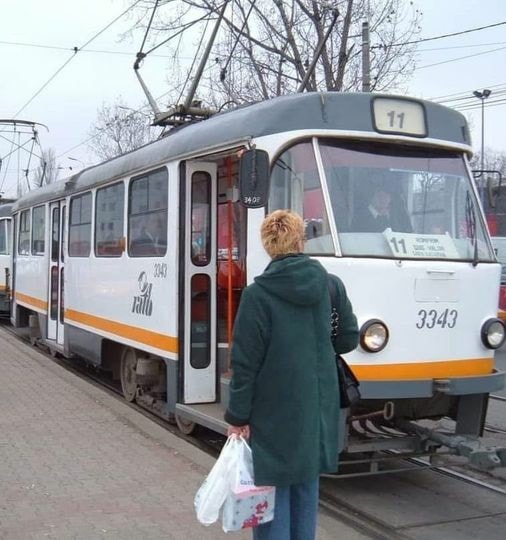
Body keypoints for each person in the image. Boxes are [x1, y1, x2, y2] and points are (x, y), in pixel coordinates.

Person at [225, 209, 359, 540]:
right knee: (305, 486)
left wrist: (237, 416)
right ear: (301, 239)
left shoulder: (258, 295)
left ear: (268, 245)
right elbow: (347, 339)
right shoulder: (329, 286)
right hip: (316, 407)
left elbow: (245, 363)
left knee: (270, 494)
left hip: (272, 412)